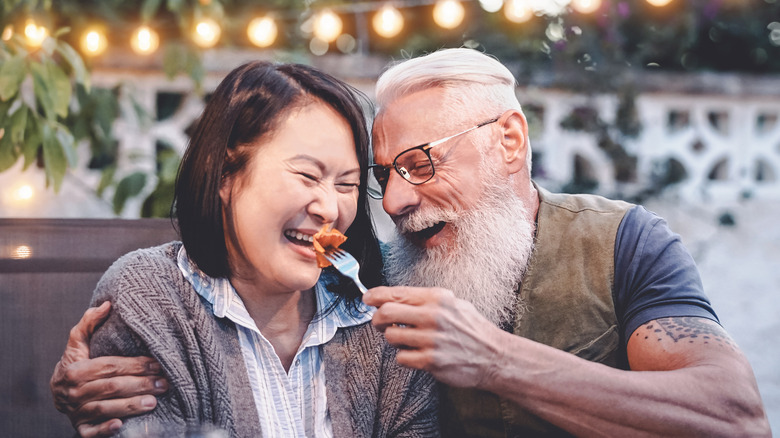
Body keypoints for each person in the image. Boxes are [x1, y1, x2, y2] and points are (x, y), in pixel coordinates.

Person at [52, 49, 770, 437]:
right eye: (385, 176)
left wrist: (495, 360)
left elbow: (733, 417)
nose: (392, 201)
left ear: (510, 140)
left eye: (420, 162)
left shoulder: (623, 243)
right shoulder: (377, 283)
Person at [50, 60, 438, 437]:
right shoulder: (151, 299)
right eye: (307, 175)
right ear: (225, 175)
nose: (329, 209)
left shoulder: (385, 304)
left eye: (346, 185)